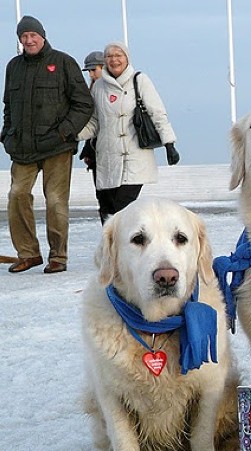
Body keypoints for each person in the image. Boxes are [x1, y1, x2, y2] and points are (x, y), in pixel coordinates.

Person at [2, 16, 93, 274]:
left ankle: (58, 256)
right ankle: (28, 253)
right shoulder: (13, 66)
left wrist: (64, 132)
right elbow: (8, 105)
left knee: (55, 201)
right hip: (22, 148)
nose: (29, 40)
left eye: (33, 35)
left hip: (56, 147)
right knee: (17, 195)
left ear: (43, 35)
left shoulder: (63, 62)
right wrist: (7, 134)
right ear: (19, 39)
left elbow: (84, 104)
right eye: (23, 36)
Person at [78, 42, 179, 224]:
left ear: (127, 58)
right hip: (107, 157)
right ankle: (111, 250)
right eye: (109, 56)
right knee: (107, 208)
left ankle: (125, 248)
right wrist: (72, 136)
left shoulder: (139, 80)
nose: (114, 60)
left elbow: (157, 113)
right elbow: (94, 122)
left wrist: (169, 143)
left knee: (123, 207)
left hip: (135, 156)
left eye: (119, 55)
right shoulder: (98, 87)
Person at [79, 50, 104, 194]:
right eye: (89, 71)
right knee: (101, 194)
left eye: (94, 70)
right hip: (95, 148)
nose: (91, 75)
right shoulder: (91, 91)